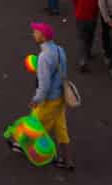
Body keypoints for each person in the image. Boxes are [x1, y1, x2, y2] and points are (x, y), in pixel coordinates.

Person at [20, 21, 74, 172]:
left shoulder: (44, 57)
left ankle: (24, 146)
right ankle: (67, 160)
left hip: (50, 100)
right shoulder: (60, 50)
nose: (33, 34)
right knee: (61, 129)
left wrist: (36, 100)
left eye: (36, 32)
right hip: (60, 98)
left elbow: (44, 85)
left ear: (42, 36)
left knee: (34, 122)